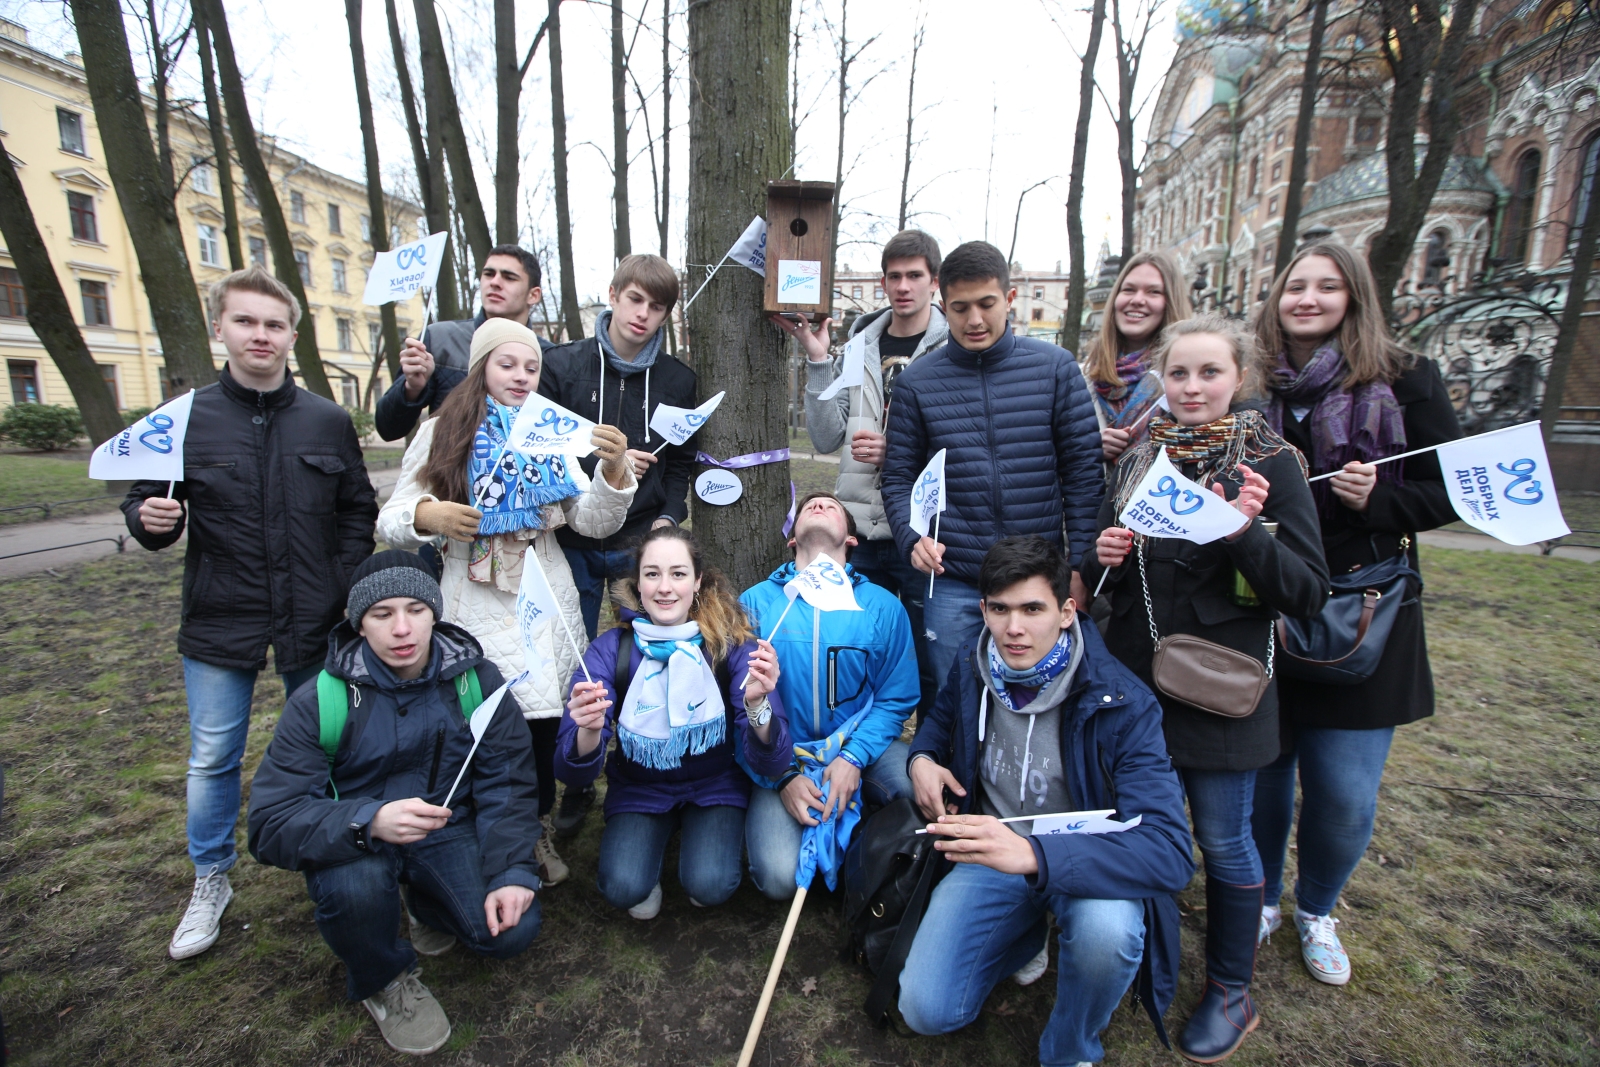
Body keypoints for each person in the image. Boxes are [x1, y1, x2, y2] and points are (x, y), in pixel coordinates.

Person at [1083, 314, 1329, 1063]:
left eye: (1209, 373)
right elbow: (1106, 572)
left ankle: (1230, 986)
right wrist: (1107, 551)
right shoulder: (1139, 458)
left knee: (1224, 841)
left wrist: (1239, 531)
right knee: (1135, 826)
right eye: (1179, 373)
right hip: (1136, 685)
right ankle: (1138, 954)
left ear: (1239, 377)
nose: (1192, 388)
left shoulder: (1272, 462)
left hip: (1224, 689)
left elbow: (1307, 590)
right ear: (1162, 376)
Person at [122, 265, 377, 962]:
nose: (259, 334)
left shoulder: (326, 419)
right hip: (220, 616)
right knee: (212, 755)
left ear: (292, 334)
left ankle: (334, 851)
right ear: (219, 329)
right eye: (245, 321)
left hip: (315, 616)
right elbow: (149, 508)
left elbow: (357, 506)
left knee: (332, 744)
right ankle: (211, 877)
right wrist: (149, 519)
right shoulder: (184, 420)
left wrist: (348, 580)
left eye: (273, 323)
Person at [1250, 243, 1462, 987]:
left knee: (1343, 790)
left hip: (1365, 612)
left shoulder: (1404, 379)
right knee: (1266, 772)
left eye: (1327, 286)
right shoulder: (1250, 384)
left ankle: (1317, 907)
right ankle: (1262, 899)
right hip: (1269, 605)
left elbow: (1448, 490)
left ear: (1355, 295)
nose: (1307, 298)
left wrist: (1381, 500)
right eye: (1295, 286)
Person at [899, 537, 1195, 1066]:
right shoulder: (975, 664)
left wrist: (1036, 857)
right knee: (926, 1010)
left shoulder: (1124, 702)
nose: (1014, 629)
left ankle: (1070, 1047)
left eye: (1032, 609)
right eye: (1000, 609)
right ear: (984, 609)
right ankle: (1024, 934)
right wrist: (921, 759)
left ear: (1066, 612)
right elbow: (938, 725)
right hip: (991, 851)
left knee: (1109, 932)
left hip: (1089, 859)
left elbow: (1171, 851)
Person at [377, 318, 638, 890]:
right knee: (481, 722)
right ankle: (479, 830)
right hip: (471, 597)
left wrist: (614, 474)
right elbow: (391, 517)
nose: (521, 376)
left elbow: (591, 522)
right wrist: (428, 516)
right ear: (481, 367)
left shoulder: (551, 432)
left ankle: (536, 826)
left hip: (543, 591)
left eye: (531, 367)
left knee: (544, 721)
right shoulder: (442, 430)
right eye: (507, 364)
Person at [247, 551, 540, 1057]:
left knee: (512, 932)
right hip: (355, 840)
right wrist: (369, 821)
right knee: (355, 886)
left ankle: (425, 902)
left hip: (446, 828)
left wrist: (512, 870)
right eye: (382, 615)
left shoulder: (476, 681)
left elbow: (507, 780)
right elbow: (271, 823)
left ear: (435, 612)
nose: (402, 629)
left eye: (416, 610)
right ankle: (385, 977)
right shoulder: (320, 701)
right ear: (359, 624)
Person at [880, 240, 1104, 692]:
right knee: (954, 700)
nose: (974, 320)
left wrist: (1080, 565)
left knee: (1043, 698)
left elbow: (1083, 475)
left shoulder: (1056, 369)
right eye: (960, 308)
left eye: (987, 304)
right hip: (954, 578)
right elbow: (899, 474)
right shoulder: (917, 383)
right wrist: (910, 537)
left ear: (1010, 298)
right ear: (944, 305)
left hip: (1038, 578)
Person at [556, 527, 791, 918]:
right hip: (639, 786)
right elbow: (573, 774)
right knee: (623, 888)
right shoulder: (610, 651)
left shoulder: (729, 645)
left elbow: (773, 762)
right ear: (637, 583)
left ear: (697, 581)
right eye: (652, 574)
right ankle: (647, 863)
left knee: (711, 886)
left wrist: (758, 707)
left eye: (678, 573)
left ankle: (700, 852)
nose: (665, 587)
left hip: (715, 783)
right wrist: (588, 730)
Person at [538, 255, 695, 840]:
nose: (643, 315)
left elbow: (680, 464)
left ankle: (654, 772)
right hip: (573, 536)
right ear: (612, 294)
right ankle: (576, 783)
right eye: (635, 300)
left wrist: (670, 518)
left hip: (640, 542)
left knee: (650, 659)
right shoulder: (563, 365)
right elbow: (543, 452)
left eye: (656, 307)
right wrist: (608, 465)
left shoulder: (678, 381)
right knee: (576, 664)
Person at [774, 230, 948, 710]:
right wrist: (816, 359)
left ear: (934, 282)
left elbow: (963, 442)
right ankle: (853, 754)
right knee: (850, 649)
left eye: (915, 276)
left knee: (925, 658)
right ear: (883, 281)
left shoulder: (953, 346)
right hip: (858, 534)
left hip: (918, 533)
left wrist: (899, 450)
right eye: (894, 276)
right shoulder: (861, 345)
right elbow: (828, 437)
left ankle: (921, 764)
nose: (903, 286)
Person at [740, 491, 921, 899]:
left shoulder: (881, 607)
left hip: (860, 744)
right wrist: (783, 775)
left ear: (851, 540)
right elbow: (740, 706)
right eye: (809, 507)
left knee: (911, 790)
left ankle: (866, 841)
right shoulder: (755, 603)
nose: (819, 507)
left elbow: (897, 697)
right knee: (777, 879)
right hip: (782, 753)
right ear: (792, 539)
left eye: (832, 507)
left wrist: (853, 757)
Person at [374, 244, 555, 442]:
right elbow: (388, 429)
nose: (495, 282)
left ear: (534, 294)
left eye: (509, 277)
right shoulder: (438, 340)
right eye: (488, 274)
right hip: (449, 469)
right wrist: (412, 389)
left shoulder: (552, 357)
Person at [1080, 251, 1192, 463]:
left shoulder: (1188, 379)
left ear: (1171, 302)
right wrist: (1087, 448)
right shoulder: (1080, 378)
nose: (1137, 300)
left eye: (1153, 292)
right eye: (1129, 289)